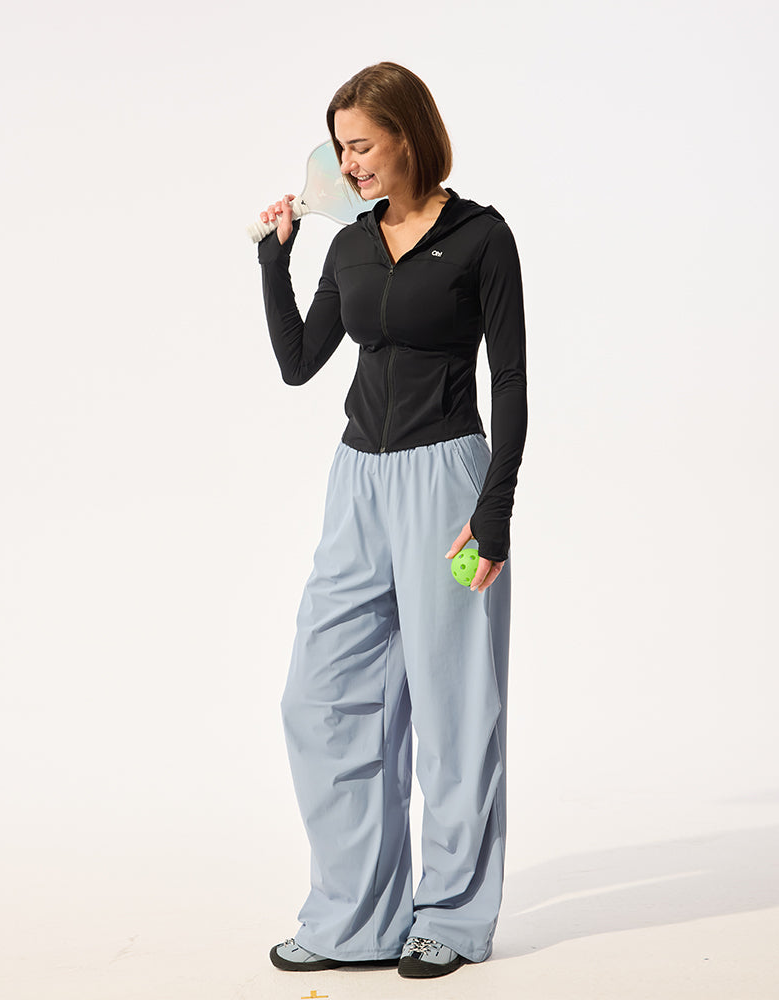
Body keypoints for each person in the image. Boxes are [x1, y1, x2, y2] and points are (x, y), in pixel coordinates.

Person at [254, 61, 527, 980]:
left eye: (362, 145)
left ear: (408, 136)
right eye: (340, 149)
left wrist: (495, 511)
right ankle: (355, 917)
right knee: (322, 697)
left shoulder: (481, 237)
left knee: (455, 706)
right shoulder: (351, 245)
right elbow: (300, 361)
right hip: (356, 487)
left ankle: (451, 917)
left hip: (448, 485)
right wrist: (275, 260)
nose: (350, 164)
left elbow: (511, 380)